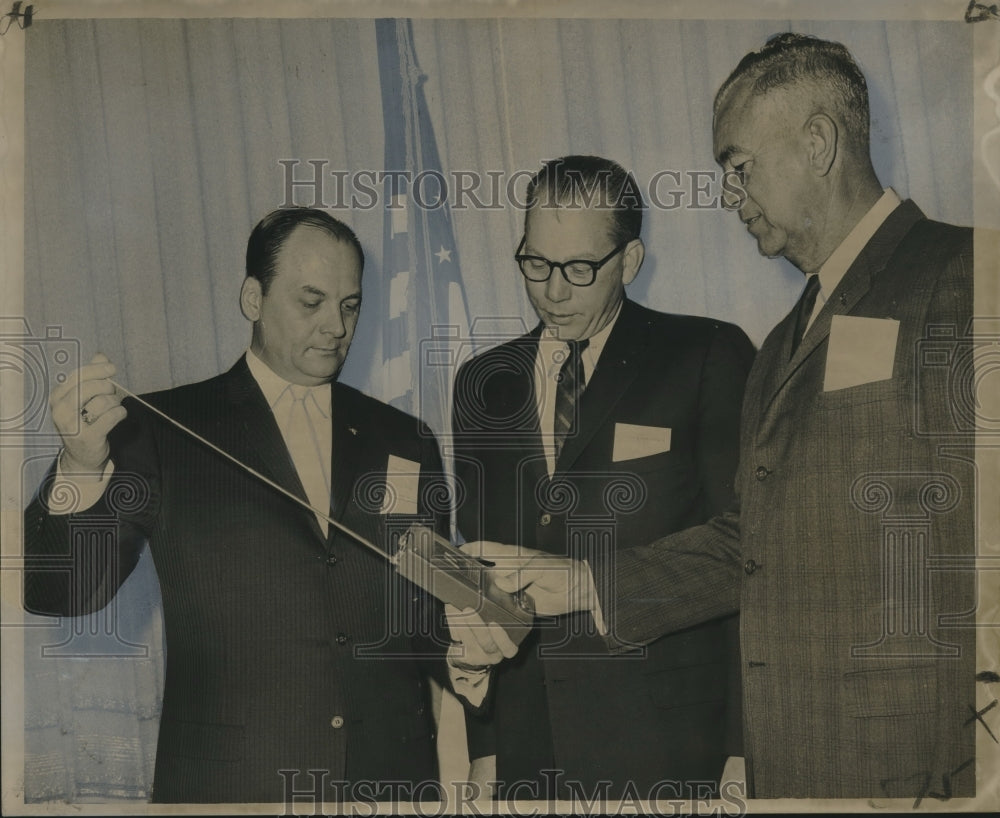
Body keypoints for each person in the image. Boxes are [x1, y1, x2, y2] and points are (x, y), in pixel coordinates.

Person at [475, 34, 978, 799]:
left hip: (912, 766)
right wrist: (580, 582)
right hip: (801, 765)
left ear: (817, 143)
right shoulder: (785, 340)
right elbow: (750, 541)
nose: (727, 195)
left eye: (739, 168)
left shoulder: (965, 277)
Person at [23, 208, 481, 805]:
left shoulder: (405, 438)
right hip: (234, 785)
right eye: (310, 301)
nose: (336, 326)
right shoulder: (159, 429)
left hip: (391, 782)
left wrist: (479, 643)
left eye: (349, 305)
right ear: (252, 298)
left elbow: (428, 619)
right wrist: (80, 468)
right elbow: (60, 591)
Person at [451, 155, 755, 800]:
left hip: (671, 744)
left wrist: (741, 746)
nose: (553, 292)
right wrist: (488, 745)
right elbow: (476, 577)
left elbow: (746, 553)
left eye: (580, 270)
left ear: (631, 260)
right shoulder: (484, 383)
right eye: (535, 263)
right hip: (533, 750)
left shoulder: (706, 356)